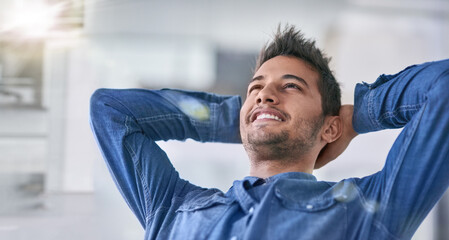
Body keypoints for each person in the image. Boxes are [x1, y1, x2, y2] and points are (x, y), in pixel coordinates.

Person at [89, 25, 449, 239]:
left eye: (290, 86)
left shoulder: (365, 211)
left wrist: (355, 118)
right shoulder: (172, 207)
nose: (264, 92)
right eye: (254, 88)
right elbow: (111, 111)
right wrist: (253, 115)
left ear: (329, 127)